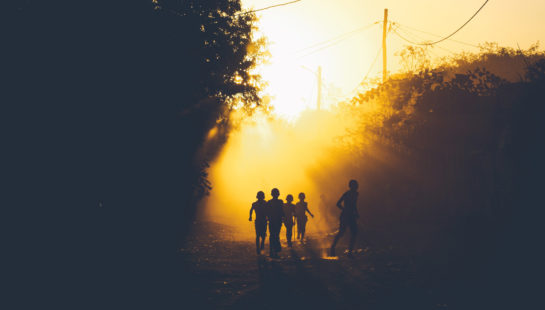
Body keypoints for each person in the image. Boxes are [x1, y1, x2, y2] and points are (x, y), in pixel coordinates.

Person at [330, 179, 359, 257]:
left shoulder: (356, 194)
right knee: (342, 232)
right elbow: (338, 203)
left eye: (356, 185)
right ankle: (333, 247)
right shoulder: (347, 194)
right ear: (350, 186)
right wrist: (345, 210)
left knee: (354, 233)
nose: (356, 187)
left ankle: (350, 251)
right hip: (345, 216)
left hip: (351, 215)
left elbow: (354, 205)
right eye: (354, 185)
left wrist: (356, 212)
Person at [267, 188, 284, 258]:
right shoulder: (280, 202)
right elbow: (282, 211)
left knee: (273, 235)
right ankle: (275, 250)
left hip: (273, 221)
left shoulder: (269, 202)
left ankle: (272, 250)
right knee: (276, 235)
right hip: (276, 220)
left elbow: (267, 212)